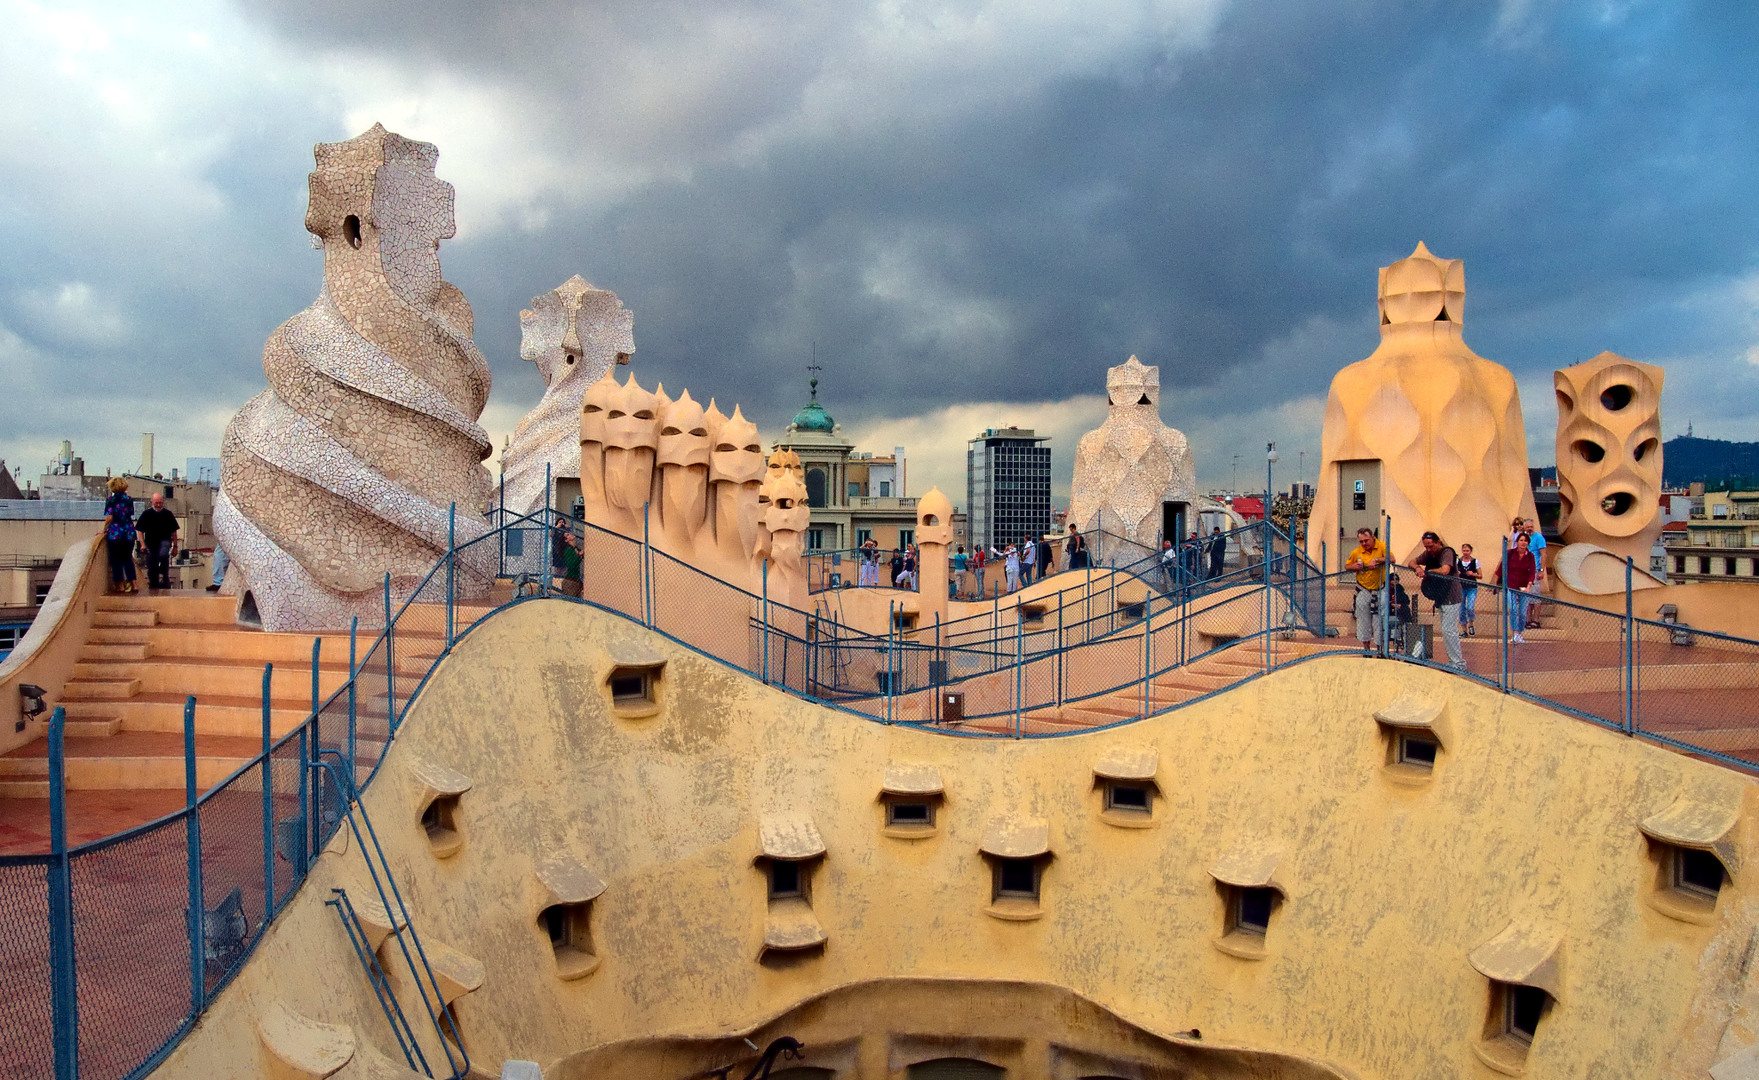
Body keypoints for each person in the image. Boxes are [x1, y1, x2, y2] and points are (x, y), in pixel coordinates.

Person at [1412, 530, 1464, 669]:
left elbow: (1445, 570)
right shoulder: (1429, 554)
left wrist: (1428, 572)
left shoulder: (1447, 552)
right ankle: (1454, 662)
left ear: (1438, 542)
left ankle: (1457, 663)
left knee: (1449, 630)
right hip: (1440, 597)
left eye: (1431, 546)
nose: (1429, 549)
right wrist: (1417, 568)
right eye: (1426, 547)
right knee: (1447, 630)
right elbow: (1413, 561)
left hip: (1451, 596)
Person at [1342, 526, 1387, 653]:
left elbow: (1391, 559)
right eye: (1361, 541)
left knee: (1379, 620)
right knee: (1363, 620)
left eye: (1366, 540)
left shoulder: (1382, 547)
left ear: (1372, 538)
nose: (1364, 544)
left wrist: (1377, 560)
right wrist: (1354, 566)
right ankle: (1366, 650)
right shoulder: (1357, 552)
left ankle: (1380, 650)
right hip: (1363, 590)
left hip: (1379, 590)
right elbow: (1347, 566)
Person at [1495, 533, 1539, 643]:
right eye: (1521, 540)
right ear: (1517, 542)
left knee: (1523, 612)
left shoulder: (1530, 556)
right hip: (1511, 585)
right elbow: (1501, 569)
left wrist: (1529, 585)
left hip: (1524, 587)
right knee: (1513, 609)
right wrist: (1496, 583)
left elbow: (1532, 572)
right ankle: (1514, 632)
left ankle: (1520, 632)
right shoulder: (1509, 553)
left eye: (1525, 541)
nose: (1523, 543)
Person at [136, 491, 181, 590]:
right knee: (152, 568)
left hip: (164, 543)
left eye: (160, 503)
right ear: (151, 502)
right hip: (151, 545)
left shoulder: (168, 514)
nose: (158, 505)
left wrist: (175, 547)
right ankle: (154, 586)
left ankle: (165, 581)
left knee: (164, 557)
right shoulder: (146, 514)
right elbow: (140, 531)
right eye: (156, 503)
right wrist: (142, 545)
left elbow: (174, 532)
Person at [102, 477, 138, 594]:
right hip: (129, 532)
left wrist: (104, 530)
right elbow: (130, 514)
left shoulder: (111, 500)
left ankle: (120, 585)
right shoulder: (129, 500)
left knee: (116, 559)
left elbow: (109, 518)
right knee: (127, 558)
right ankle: (134, 584)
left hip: (115, 533)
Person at [1523, 518, 1548, 627]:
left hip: (1535, 569)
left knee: (1536, 596)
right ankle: (1527, 619)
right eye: (1527, 527)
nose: (1529, 529)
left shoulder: (1538, 537)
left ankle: (1536, 620)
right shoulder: (1523, 538)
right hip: (1525, 570)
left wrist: (1542, 570)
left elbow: (1544, 554)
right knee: (1526, 596)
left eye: (1531, 527)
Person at [1457, 543, 1482, 636]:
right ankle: (1464, 629)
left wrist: (1473, 574)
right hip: (1461, 587)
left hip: (1471, 587)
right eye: (1464, 551)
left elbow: (1480, 575)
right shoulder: (1458, 561)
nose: (1465, 552)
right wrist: (1457, 573)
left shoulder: (1475, 561)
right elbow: (1453, 572)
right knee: (1461, 608)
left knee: (1470, 607)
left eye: (1467, 551)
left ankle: (1471, 623)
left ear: (1470, 551)